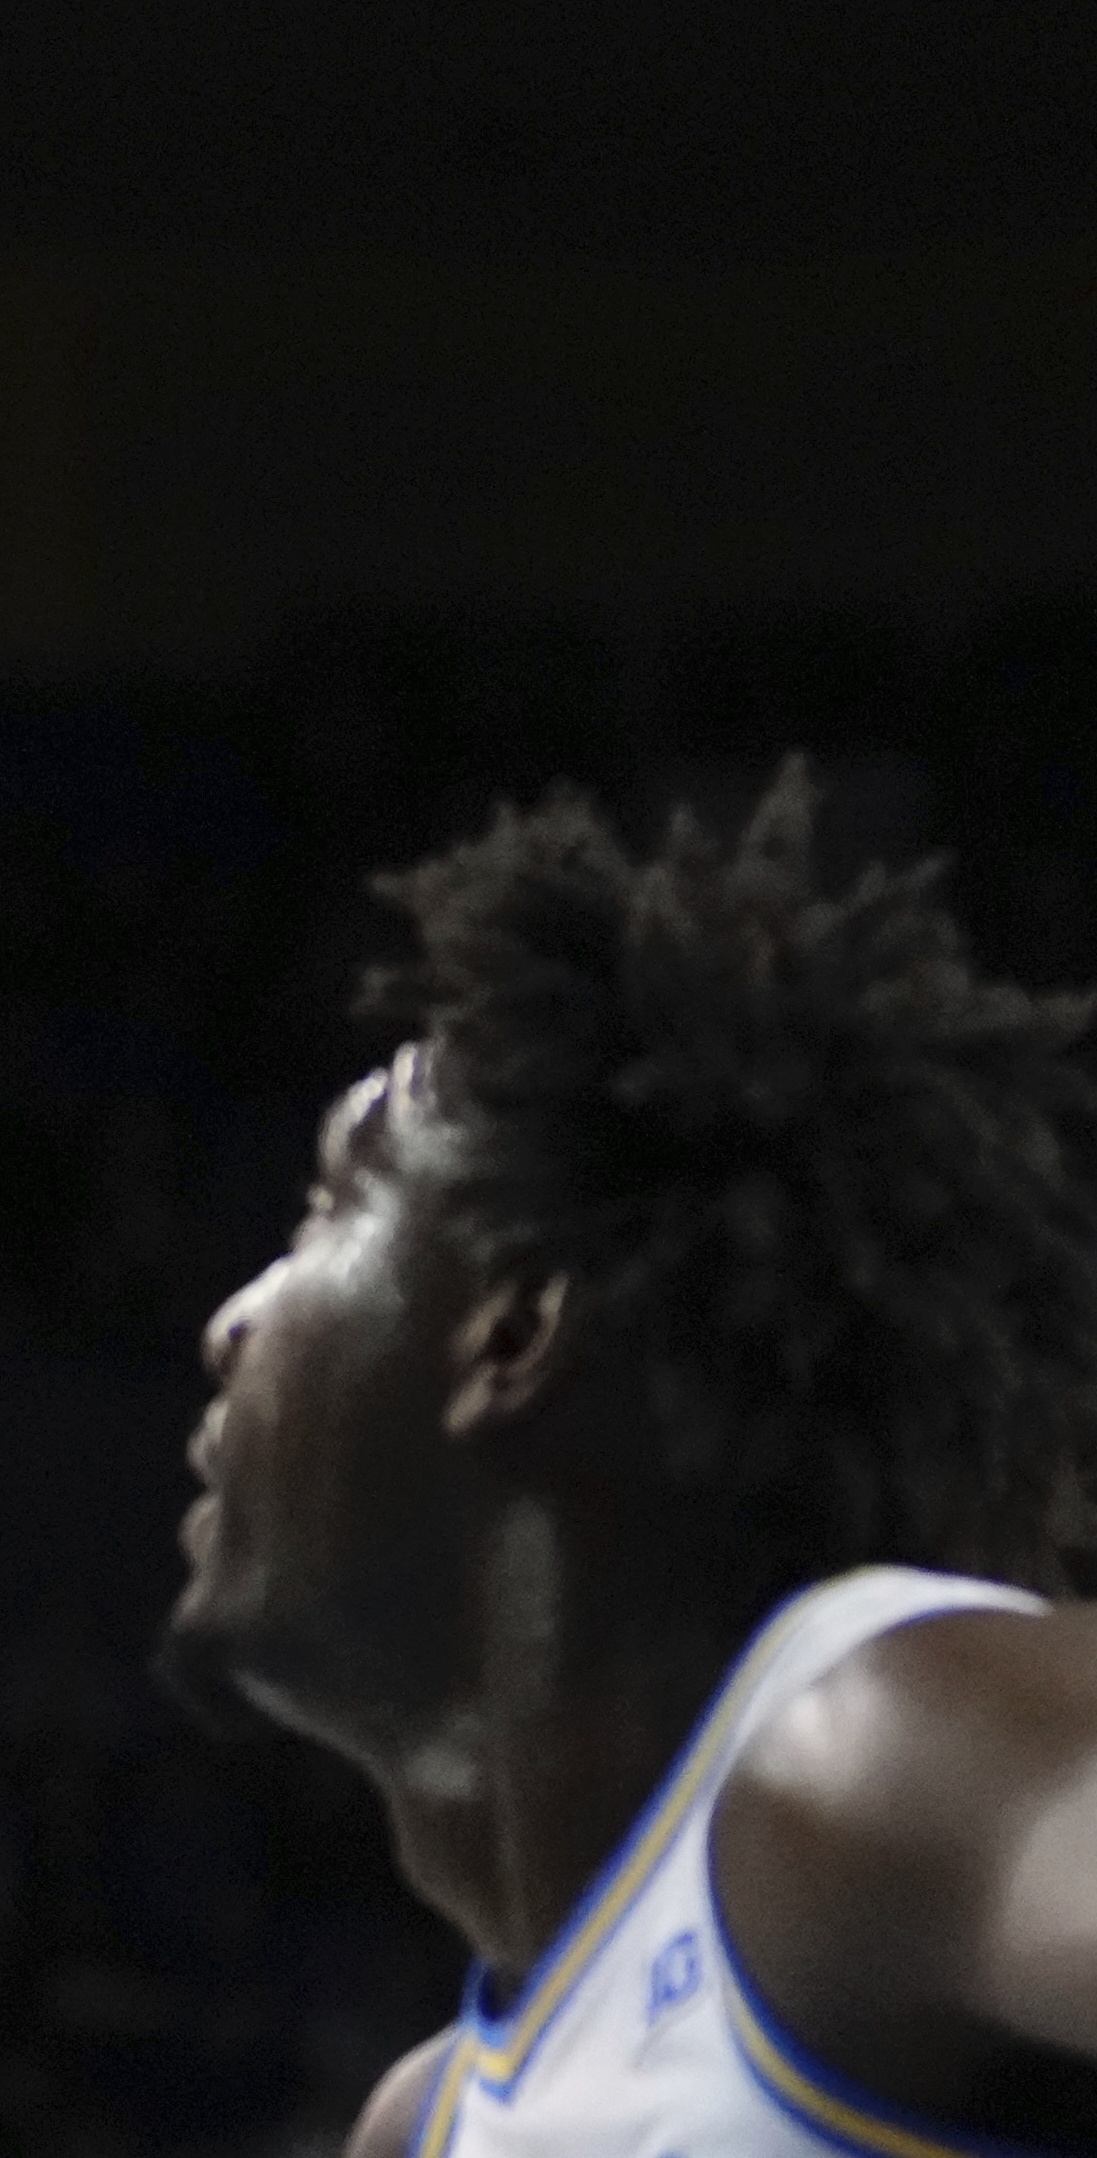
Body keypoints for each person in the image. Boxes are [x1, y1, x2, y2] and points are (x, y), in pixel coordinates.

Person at [165, 775, 1097, 2153]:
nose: (229, 1323)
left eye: (327, 1205)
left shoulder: (872, 1745)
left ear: (512, 1332)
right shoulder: (418, 2124)